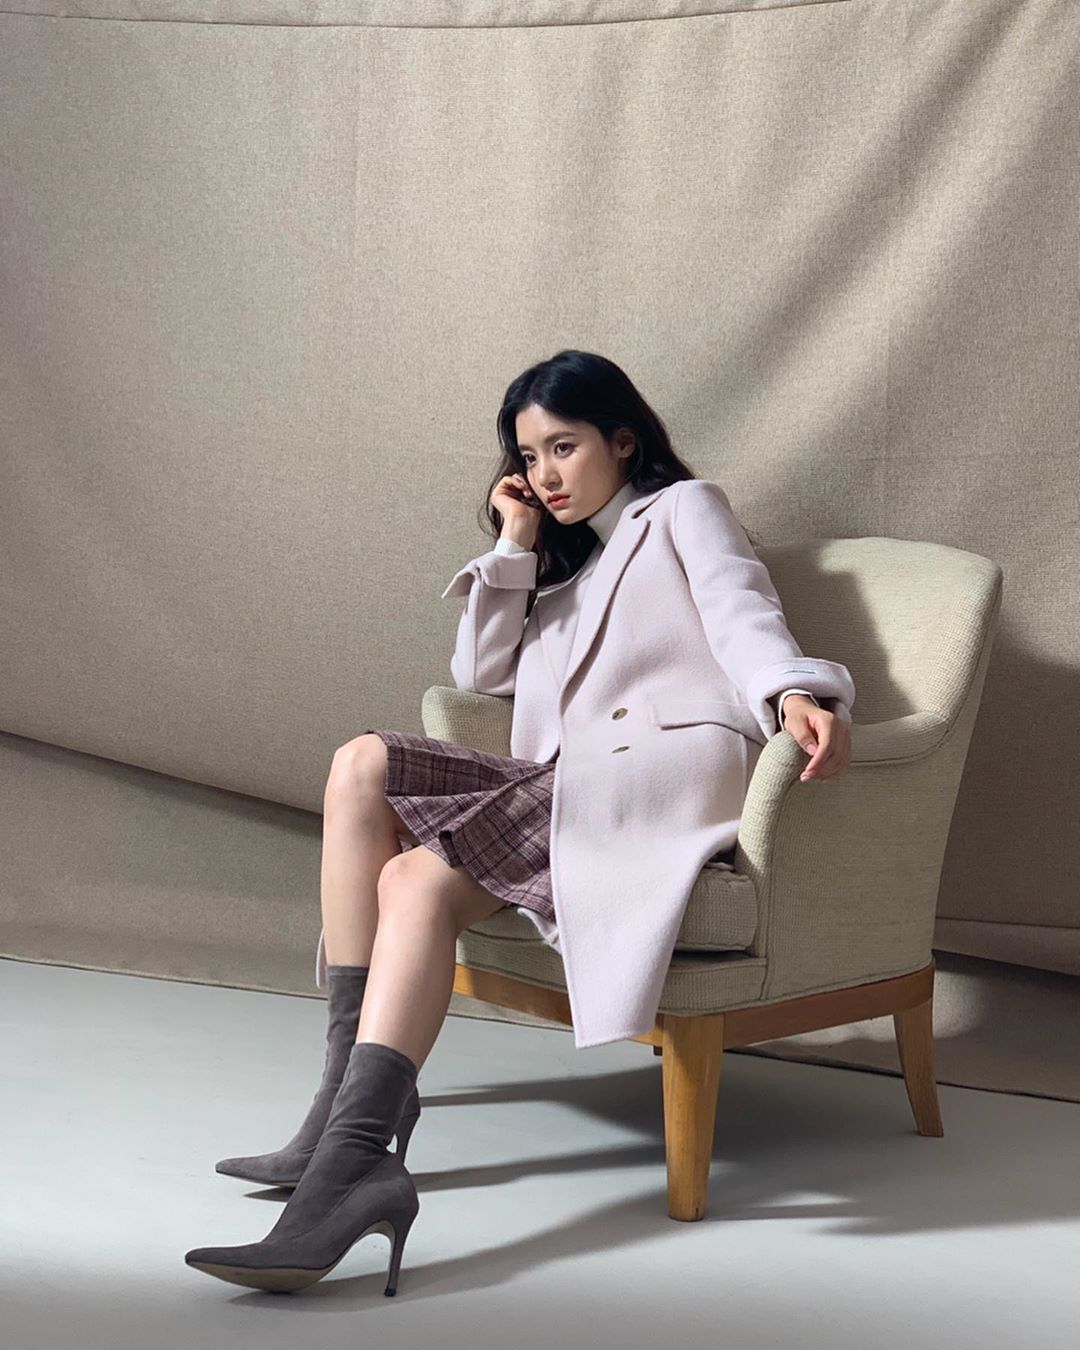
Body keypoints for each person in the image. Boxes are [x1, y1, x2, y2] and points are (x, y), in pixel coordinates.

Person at [184, 349, 852, 1295]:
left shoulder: (683, 510)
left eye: (564, 447)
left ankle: (351, 1156)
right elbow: (480, 676)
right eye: (530, 457)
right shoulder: (560, 565)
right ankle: (344, 1114)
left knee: (411, 875)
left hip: (653, 777)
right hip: (566, 779)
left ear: (624, 441)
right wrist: (515, 541)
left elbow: (744, 614)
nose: (546, 473)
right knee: (361, 764)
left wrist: (791, 694)